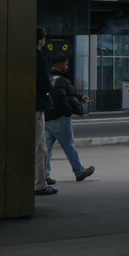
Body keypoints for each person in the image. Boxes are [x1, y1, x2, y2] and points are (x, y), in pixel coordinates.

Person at [44, 52, 96, 183]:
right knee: (69, 146)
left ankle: (44, 175)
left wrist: (79, 98)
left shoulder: (48, 78)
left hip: (47, 117)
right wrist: (68, 111)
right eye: (66, 64)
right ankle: (79, 171)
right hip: (60, 118)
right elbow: (61, 97)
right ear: (60, 64)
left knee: (46, 149)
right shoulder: (61, 80)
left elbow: (65, 95)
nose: (67, 67)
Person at [33, 27, 57, 196]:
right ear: (40, 40)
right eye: (44, 38)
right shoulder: (38, 58)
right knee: (36, 147)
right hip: (36, 107)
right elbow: (43, 83)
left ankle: (40, 183)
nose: (45, 41)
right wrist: (50, 85)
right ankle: (38, 185)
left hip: (32, 105)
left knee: (42, 148)